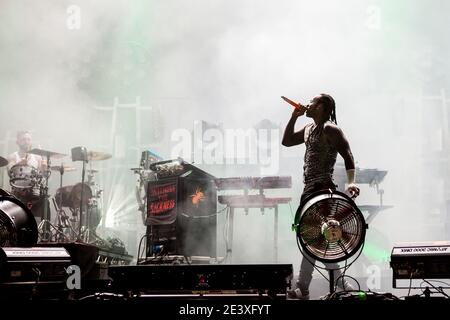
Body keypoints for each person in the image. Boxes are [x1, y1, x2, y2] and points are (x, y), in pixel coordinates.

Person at [282, 93, 360, 299]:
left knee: (314, 238)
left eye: (312, 102)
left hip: (323, 189)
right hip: (308, 190)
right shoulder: (309, 129)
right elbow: (287, 141)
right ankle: (338, 284)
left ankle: (303, 288)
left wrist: (351, 182)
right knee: (316, 239)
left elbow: (348, 154)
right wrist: (294, 116)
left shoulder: (329, 128)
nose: (307, 104)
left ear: (322, 107)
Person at [7, 130, 46, 216]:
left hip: (34, 194)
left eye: (28, 139)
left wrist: (44, 167)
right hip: (17, 193)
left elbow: (42, 176)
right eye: (23, 139)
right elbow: (9, 171)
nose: (26, 142)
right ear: (17, 142)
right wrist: (18, 164)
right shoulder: (12, 156)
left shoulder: (37, 157)